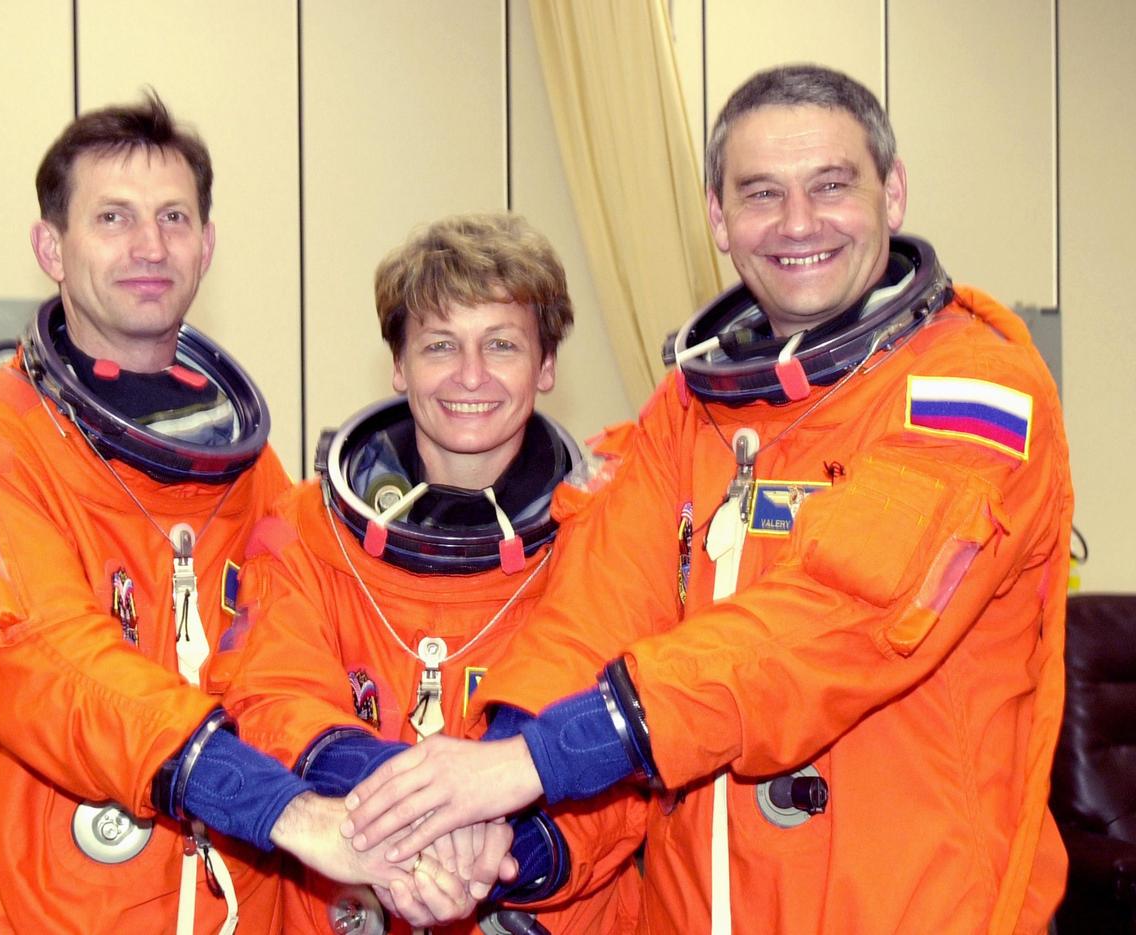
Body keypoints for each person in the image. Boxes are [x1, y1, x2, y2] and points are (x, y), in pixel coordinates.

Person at [339, 65, 1074, 934]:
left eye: (830, 186)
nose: (797, 223)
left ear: (894, 192)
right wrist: (499, 794)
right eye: (761, 193)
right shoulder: (689, 413)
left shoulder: (974, 389)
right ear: (719, 219)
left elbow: (846, 611)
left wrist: (544, 755)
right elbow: (593, 610)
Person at [0, 92, 435, 934]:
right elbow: (46, 665)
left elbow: (296, 672)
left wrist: (409, 793)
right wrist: (280, 807)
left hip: (234, 905)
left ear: (206, 246)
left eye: (173, 218)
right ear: (51, 247)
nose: (150, 246)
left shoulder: (248, 470)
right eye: (112, 217)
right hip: (37, 914)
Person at [224, 213, 645, 934]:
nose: (470, 375)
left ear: (546, 365)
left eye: (502, 344)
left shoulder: (607, 528)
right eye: (439, 344)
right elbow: (271, 697)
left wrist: (509, 848)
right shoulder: (304, 530)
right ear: (399, 364)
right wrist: (425, 812)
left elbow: (630, 749)